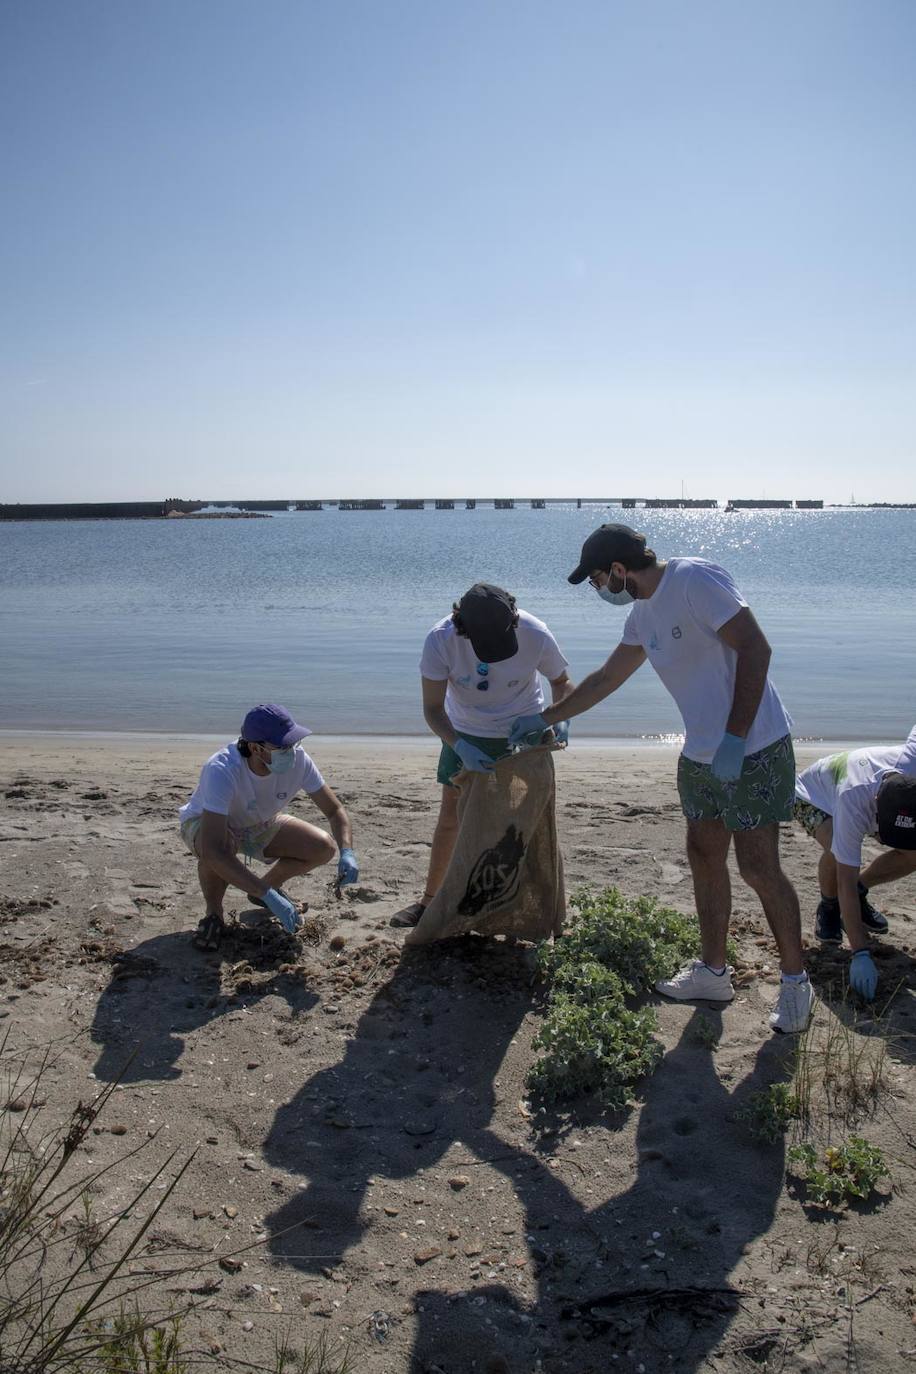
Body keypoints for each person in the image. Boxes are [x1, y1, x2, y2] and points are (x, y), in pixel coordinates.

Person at [509, 522, 812, 1034]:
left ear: (619, 569)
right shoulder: (642, 615)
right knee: (703, 856)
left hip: (754, 746)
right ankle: (713, 973)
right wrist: (546, 718)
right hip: (699, 753)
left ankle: (796, 983)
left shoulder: (694, 580)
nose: (598, 589)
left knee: (759, 868)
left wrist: (735, 736)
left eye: (597, 579)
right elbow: (606, 678)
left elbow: (756, 649)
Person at [391, 582, 574, 927]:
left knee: (529, 822)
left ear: (513, 620)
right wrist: (459, 745)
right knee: (451, 818)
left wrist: (560, 716)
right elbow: (433, 709)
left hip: (527, 733)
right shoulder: (440, 640)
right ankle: (429, 901)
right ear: (462, 627)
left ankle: (538, 908)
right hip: (464, 733)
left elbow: (561, 681)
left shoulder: (535, 633)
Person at [179, 703, 358, 949]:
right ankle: (214, 914)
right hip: (208, 823)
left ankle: (267, 889)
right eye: (282, 746)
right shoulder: (222, 768)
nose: (291, 751)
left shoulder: (299, 761)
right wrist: (265, 892)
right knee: (222, 847)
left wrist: (347, 851)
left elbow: (335, 810)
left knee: (322, 846)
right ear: (256, 748)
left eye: (293, 742)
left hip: (259, 822)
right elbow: (213, 850)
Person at [794, 726, 916, 999]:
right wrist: (860, 953)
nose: (882, 840)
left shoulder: (912, 768)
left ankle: (862, 892)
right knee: (837, 850)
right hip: (813, 795)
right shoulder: (853, 800)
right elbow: (844, 881)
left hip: (875, 796)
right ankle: (828, 907)